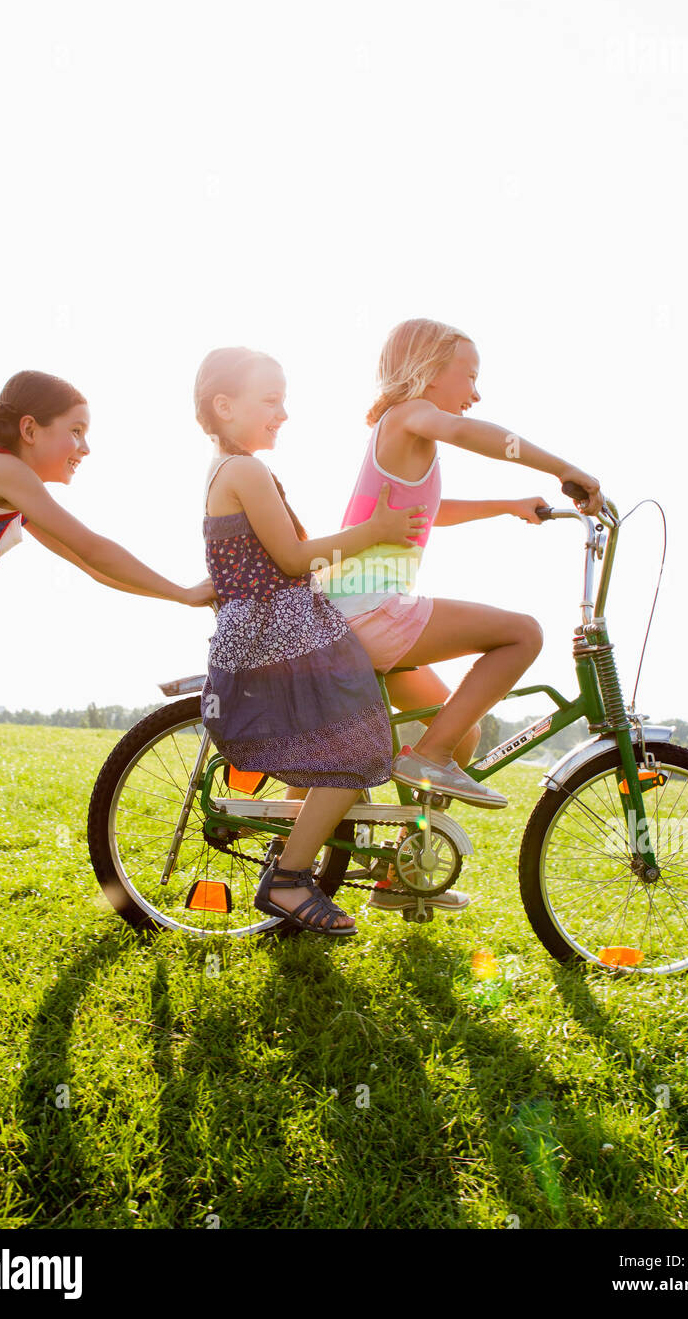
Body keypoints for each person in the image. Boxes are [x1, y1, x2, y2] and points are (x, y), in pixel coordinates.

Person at [318, 317, 603, 913]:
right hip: (369, 611)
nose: (475, 391)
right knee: (521, 634)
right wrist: (562, 468)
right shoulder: (410, 416)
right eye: (469, 375)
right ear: (426, 369)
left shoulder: (405, 438)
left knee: (464, 730)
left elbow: (429, 510)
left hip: (355, 618)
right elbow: (472, 431)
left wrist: (504, 506)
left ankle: (399, 874)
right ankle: (425, 757)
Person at [193, 346, 427, 937]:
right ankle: (291, 876)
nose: (284, 413)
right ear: (224, 406)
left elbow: (256, 562)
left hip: (272, 628)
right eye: (271, 400)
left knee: (339, 743)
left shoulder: (229, 470)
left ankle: (293, 856)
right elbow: (293, 557)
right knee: (359, 743)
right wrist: (373, 531)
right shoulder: (244, 471)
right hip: (282, 635)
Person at [0, 370, 215, 812]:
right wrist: (183, 592)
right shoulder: (4, 470)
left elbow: (92, 567)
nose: (85, 448)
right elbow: (94, 547)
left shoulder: (14, 495)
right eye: (76, 431)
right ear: (29, 429)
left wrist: (181, 595)